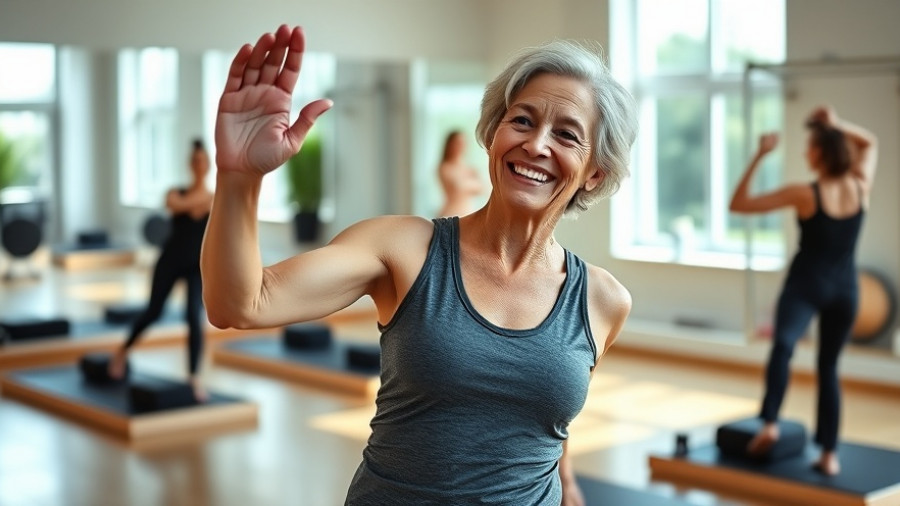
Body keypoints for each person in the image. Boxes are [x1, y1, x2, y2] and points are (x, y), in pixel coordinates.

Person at [202, 25, 636, 504]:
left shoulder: (603, 300)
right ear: (493, 134)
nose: (536, 145)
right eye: (523, 121)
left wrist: (567, 480)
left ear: (594, 172)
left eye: (567, 135)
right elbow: (241, 304)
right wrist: (238, 178)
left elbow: (545, 411)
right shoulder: (402, 249)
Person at [729, 106, 877, 476]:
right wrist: (838, 123)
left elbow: (739, 204)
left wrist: (761, 155)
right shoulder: (861, 184)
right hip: (846, 291)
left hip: (805, 287)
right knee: (829, 368)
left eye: (810, 147)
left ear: (822, 153)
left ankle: (770, 423)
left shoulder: (805, 193)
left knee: (783, 348)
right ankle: (829, 454)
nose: (804, 153)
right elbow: (870, 142)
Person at [109, 138, 214, 401]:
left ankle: (194, 376)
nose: (199, 165)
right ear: (190, 165)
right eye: (195, 161)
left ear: (208, 165)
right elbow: (175, 205)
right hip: (170, 261)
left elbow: (202, 209)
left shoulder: (213, 197)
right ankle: (122, 352)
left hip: (195, 266)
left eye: (203, 161)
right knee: (154, 311)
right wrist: (203, 201)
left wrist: (203, 201)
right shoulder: (175, 192)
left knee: (193, 317)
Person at [436, 130, 485, 218]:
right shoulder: (444, 167)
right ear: (449, 145)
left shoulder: (469, 167)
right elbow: (458, 187)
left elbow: (483, 189)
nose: (461, 146)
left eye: (463, 143)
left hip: (468, 214)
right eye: (457, 143)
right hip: (450, 215)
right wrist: (473, 182)